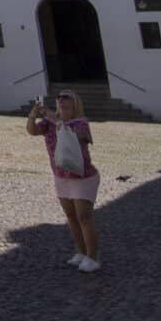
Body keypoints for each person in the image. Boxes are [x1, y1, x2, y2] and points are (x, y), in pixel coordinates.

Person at [28, 89, 101, 272]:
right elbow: (33, 131)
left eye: (66, 101)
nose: (62, 102)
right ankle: (81, 252)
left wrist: (55, 119)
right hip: (61, 176)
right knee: (71, 217)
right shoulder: (50, 123)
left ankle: (92, 257)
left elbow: (72, 133)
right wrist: (32, 116)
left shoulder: (81, 123)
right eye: (60, 100)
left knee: (84, 217)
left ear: (75, 105)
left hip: (82, 177)